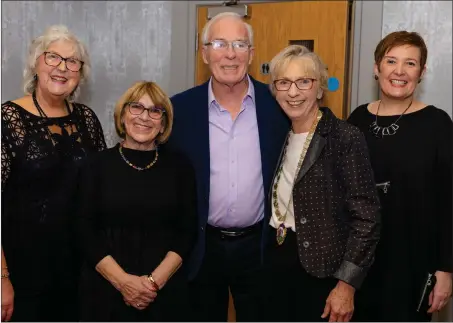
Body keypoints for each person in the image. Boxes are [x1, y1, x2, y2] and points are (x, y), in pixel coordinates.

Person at [164, 12, 289, 321]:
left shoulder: (278, 105)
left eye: (239, 44)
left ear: (251, 52)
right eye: (219, 43)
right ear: (204, 53)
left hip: (259, 247)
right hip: (202, 249)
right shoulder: (178, 109)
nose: (230, 53)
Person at [263, 44, 381, 322]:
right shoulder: (276, 134)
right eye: (284, 83)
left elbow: (367, 218)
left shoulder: (344, 137)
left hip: (325, 271)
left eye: (304, 81)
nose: (293, 92)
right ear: (274, 90)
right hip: (276, 258)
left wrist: (346, 284)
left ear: (319, 89)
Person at [1, 25, 106, 321]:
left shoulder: (87, 119)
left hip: (81, 269)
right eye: (53, 57)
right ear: (36, 63)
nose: (62, 68)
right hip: (24, 271)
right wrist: (1, 277)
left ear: (80, 73)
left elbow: (101, 190)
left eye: (72, 61)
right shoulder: (8, 120)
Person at [348, 31, 452, 322]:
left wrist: (445, 270)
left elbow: (449, 202)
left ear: (421, 72)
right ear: (376, 67)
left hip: (414, 262)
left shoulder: (437, 124)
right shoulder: (357, 119)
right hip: (358, 264)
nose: (399, 71)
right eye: (391, 60)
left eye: (410, 63)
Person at [76, 81, 197, 321]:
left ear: (163, 123)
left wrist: (152, 284)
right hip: (105, 293)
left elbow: (188, 231)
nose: (145, 117)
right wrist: (124, 283)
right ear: (122, 116)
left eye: (155, 111)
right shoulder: (95, 166)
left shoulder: (180, 166)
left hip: (165, 294)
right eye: (136, 108)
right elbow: (83, 231)